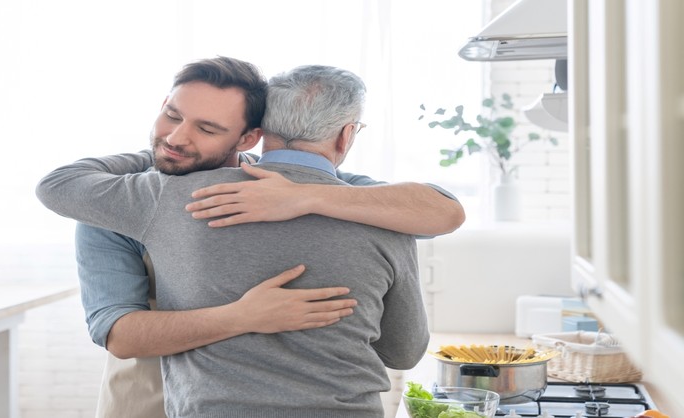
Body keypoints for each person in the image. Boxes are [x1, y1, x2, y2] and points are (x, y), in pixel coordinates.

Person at [38, 63, 437, 417]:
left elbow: (439, 209)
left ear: (250, 137)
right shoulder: (124, 199)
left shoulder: (355, 200)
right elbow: (119, 335)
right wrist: (244, 316)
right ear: (345, 135)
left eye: (207, 128)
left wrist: (304, 195)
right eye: (172, 115)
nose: (176, 138)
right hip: (144, 397)